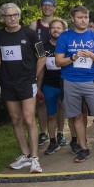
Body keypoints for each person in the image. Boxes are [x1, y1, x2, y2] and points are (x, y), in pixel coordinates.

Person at [55, 5, 94, 163]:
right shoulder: (65, 37)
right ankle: (83, 149)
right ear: (73, 19)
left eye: (86, 18)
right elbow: (58, 61)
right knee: (76, 117)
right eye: (80, 17)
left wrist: (91, 55)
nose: (83, 20)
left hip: (90, 80)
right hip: (70, 81)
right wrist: (73, 57)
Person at [0, 3, 45, 173]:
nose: (12, 18)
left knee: (29, 119)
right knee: (15, 120)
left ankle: (35, 159)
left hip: (26, 83)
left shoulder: (30, 34)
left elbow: (42, 57)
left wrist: (33, 76)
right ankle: (25, 154)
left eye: (15, 15)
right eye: (8, 16)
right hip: (8, 84)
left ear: (20, 16)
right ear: (2, 18)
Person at [36, 18, 69, 155]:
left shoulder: (68, 46)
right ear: (49, 30)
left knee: (62, 108)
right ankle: (52, 141)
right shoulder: (41, 46)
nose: (56, 30)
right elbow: (41, 68)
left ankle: (61, 133)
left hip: (65, 83)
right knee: (51, 114)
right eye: (53, 28)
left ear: (64, 30)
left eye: (59, 28)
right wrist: (38, 88)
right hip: (49, 84)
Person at [30, 0, 57, 146]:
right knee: (41, 99)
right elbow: (31, 41)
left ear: (54, 8)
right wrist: (41, 55)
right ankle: (43, 132)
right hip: (40, 61)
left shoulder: (58, 24)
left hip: (55, 62)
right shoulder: (35, 24)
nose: (47, 8)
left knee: (59, 101)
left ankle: (59, 132)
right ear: (41, 7)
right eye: (44, 5)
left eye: (50, 5)